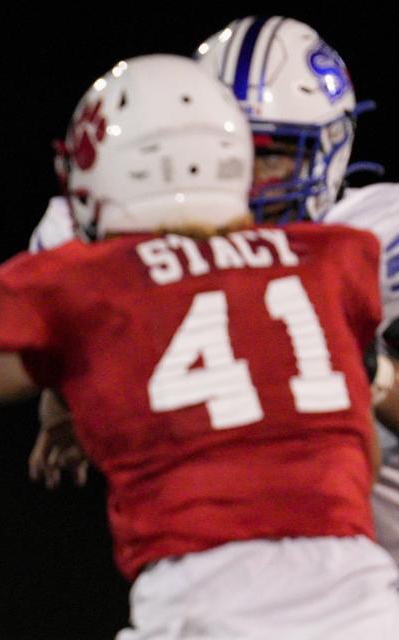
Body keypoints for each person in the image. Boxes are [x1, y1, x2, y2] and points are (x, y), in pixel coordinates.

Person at [0, 54, 399, 637]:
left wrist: (67, 363)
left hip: (206, 604)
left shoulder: (94, 281)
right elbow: (365, 459)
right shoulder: (325, 259)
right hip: (364, 601)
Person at [194, 14, 399, 566]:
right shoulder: (172, 248)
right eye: (223, 150)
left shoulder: (379, 234)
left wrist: (366, 363)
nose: (243, 177)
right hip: (264, 578)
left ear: (328, 150)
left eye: (268, 153)